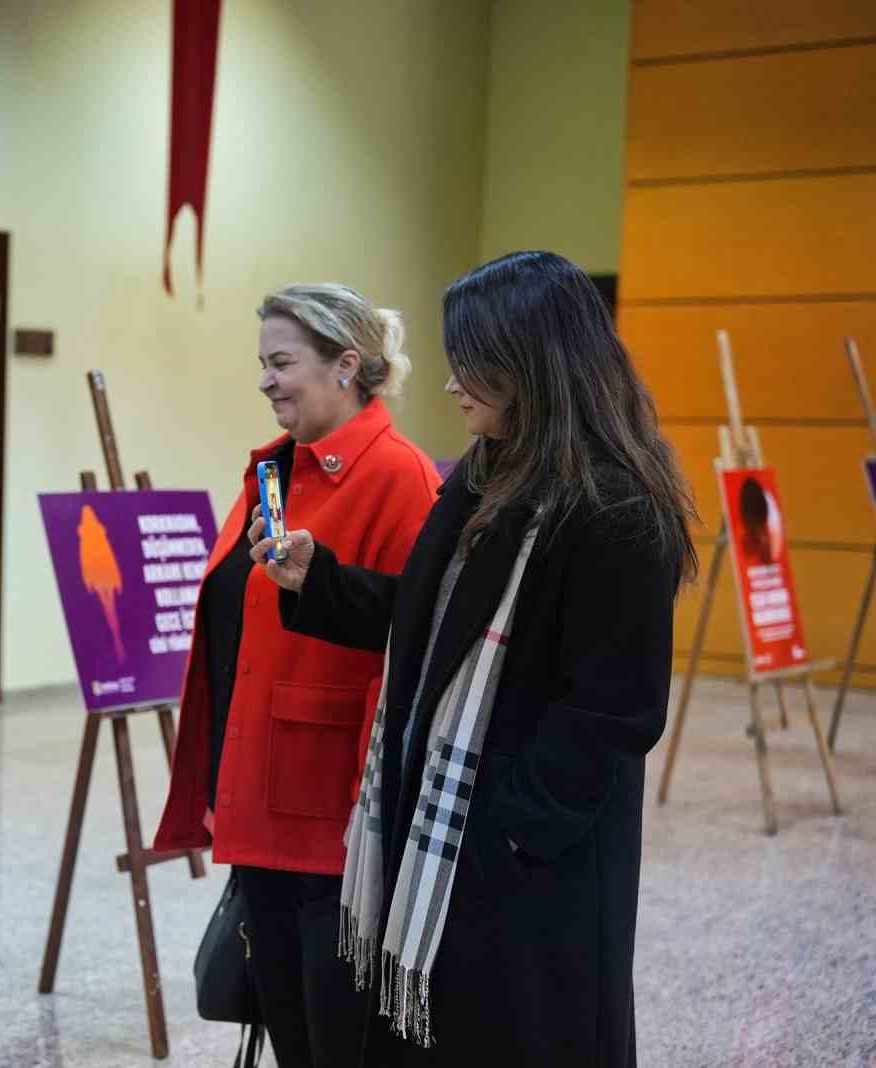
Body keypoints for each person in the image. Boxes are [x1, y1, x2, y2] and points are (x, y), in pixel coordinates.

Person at [251, 251, 697, 1066]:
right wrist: (318, 582)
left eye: (471, 363)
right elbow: (422, 627)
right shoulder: (486, 472)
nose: (452, 383)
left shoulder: (616, 506)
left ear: (531, 363)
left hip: (528, 868)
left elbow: (615, 709)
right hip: (451, 844)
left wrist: (510, 831)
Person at [154, 283, 442, 1067]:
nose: (265, 380)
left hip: (334, 815)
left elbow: (413, 651)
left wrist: (372, 816)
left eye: (282, 362)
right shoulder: (274, 472)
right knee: (287, 1030)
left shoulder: (401, 476)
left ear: (346, 365)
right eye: (263, 363)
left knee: (336, 1042)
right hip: (264, 797)